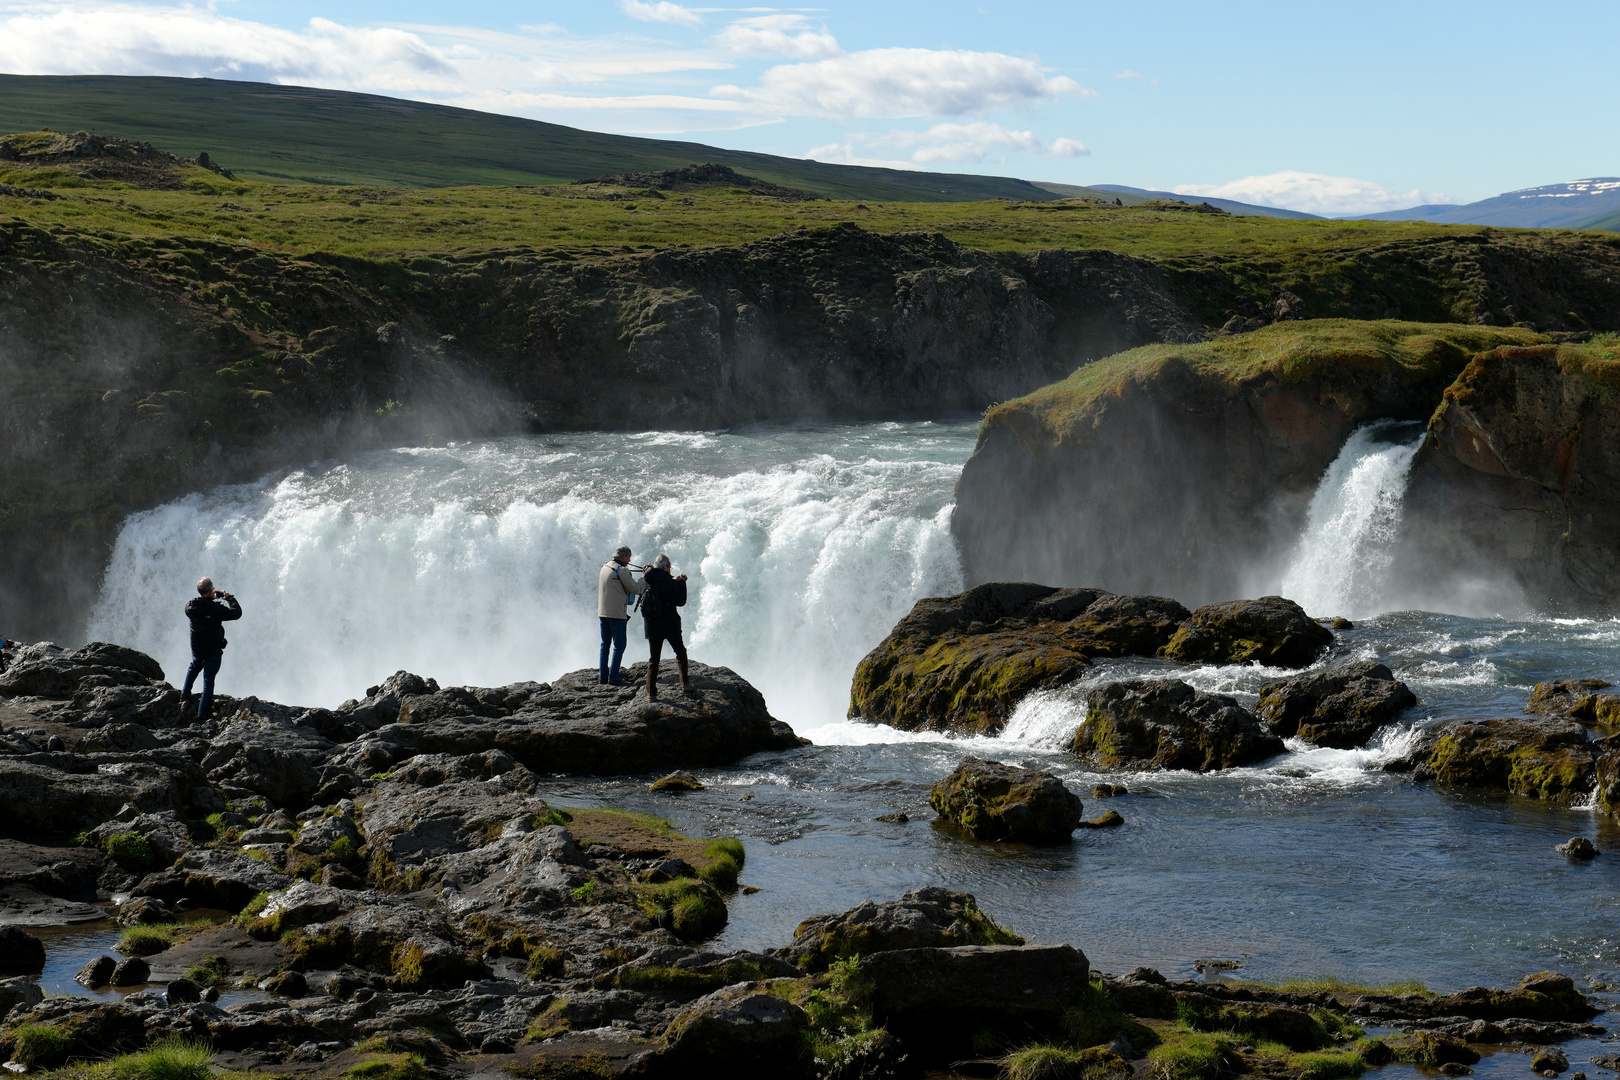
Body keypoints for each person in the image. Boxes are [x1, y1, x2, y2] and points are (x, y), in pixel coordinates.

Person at [183, 577, 241, 721]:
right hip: (212, 649)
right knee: (208, 681)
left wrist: (209, 598)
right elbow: (236, 613)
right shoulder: (216, 609)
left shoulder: (190, 606)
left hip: (196, 646)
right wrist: (229, 597)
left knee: (194, 666)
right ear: (211, 590)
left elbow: (201, 609)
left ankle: (184, 694)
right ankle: (203, 715)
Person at [639, 553, 689, 701]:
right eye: (670, 567)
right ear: (666, 567)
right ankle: (685, 684)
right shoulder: (670, 583)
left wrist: (648, 571)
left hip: (652, 625)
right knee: (680, 652)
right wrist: (681, 582)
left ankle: (651, 694)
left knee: (654, 659)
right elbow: (680, 601)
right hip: (669, 624)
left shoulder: (644, 580)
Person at [598, 545, 645, 685]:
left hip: (603, 612)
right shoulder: (622, 570)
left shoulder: (605, 567)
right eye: (629, 557)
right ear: (624, 557)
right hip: (617, 614)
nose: (629, 560)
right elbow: (637, 589)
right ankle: (614, 678)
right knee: (620, 645)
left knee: (605, 644)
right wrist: (644, 576)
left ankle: (603, 677)